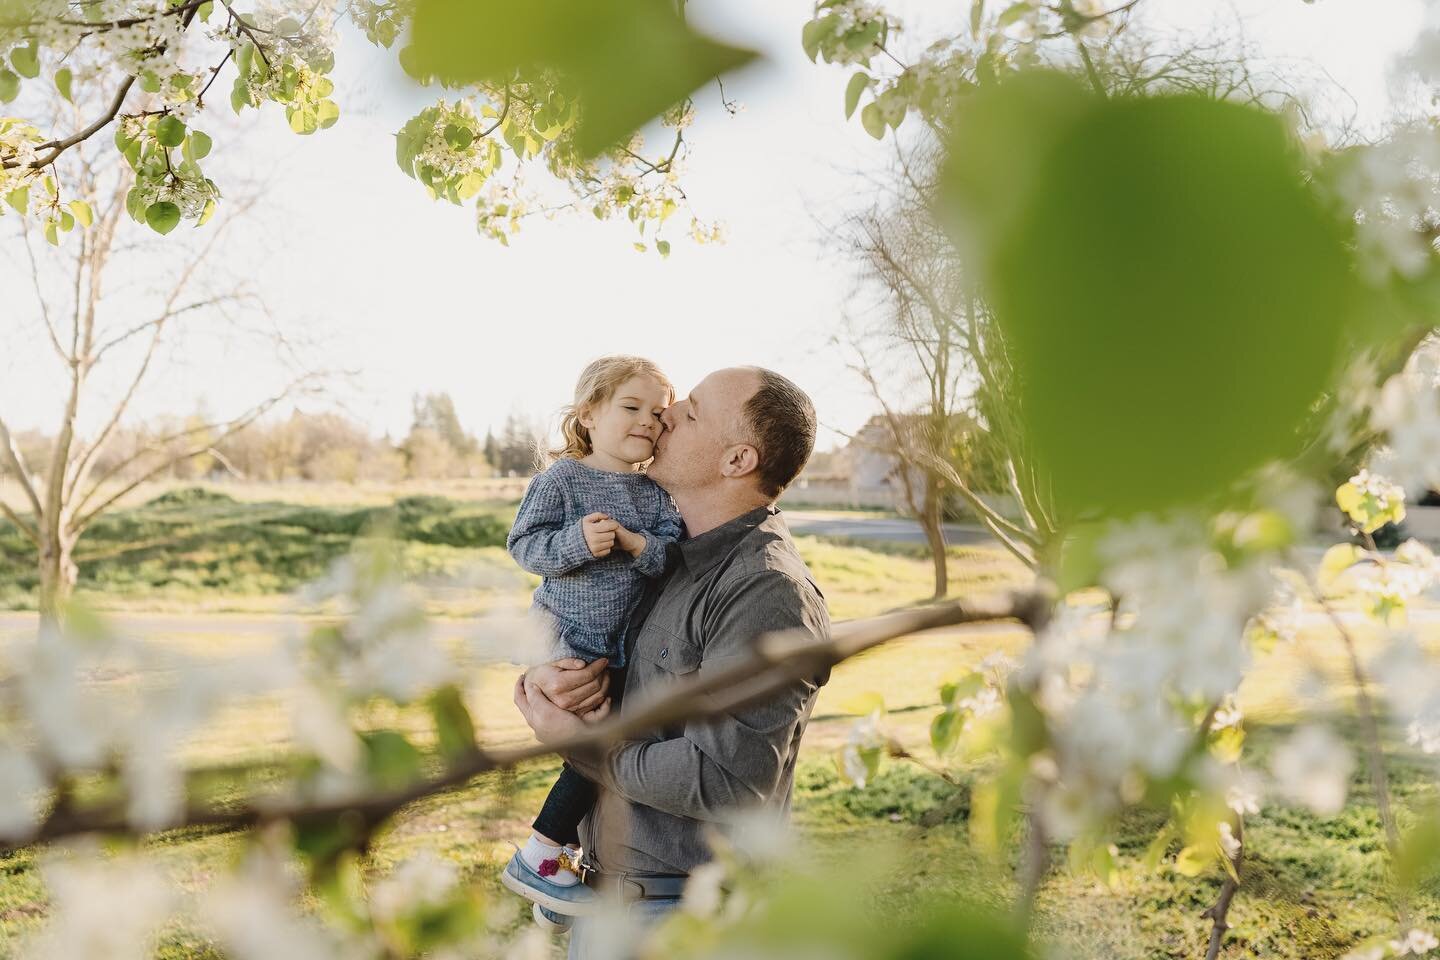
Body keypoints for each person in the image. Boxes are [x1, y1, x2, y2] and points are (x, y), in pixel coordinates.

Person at [513, 366, 831, 957]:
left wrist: (586, 746)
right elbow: (593, 634)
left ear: (736, 460)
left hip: (684, 922)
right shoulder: (667, 558)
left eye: (689, 413)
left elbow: (727, 781)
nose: (665, 416)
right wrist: (544, 677)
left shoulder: (764, 592)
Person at [499, 356, 684, 927]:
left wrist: (635, 545)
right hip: (565, 642)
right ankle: (539, 858)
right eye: (630, 407)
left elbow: (669, 554)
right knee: (593, 750)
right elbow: (523, 546)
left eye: (657, 413)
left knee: (603, 754)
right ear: (588, 414)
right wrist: (576, 541)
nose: (646, 422)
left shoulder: (654, 494)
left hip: (622, 650)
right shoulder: (562, 480)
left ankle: (562, 869)